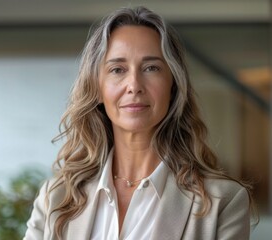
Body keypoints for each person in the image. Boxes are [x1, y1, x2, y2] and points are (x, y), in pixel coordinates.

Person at [24, 6, 255, 240]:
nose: (134, 85)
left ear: (173, 84)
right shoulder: (55, 198)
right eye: (117, 69)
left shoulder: (222, 202)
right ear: (97, 87)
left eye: (151, 68)